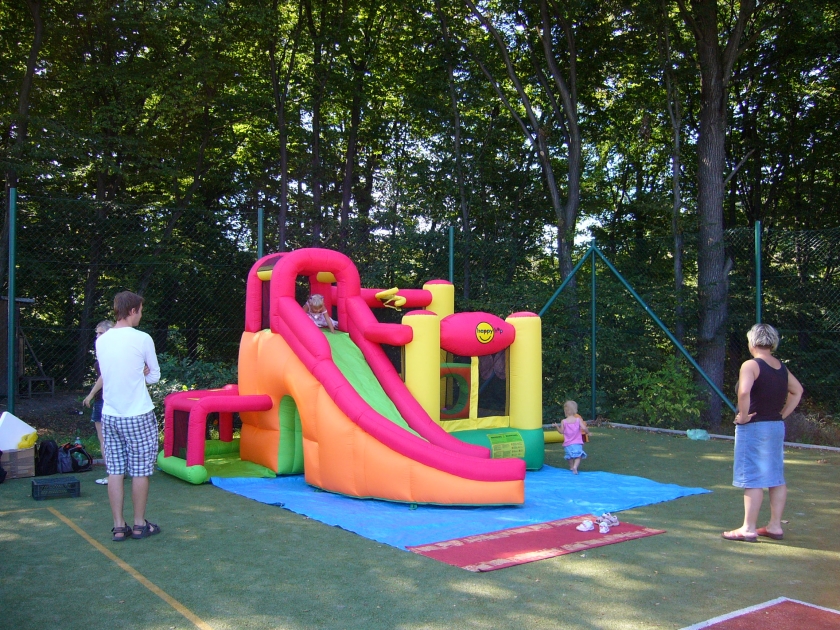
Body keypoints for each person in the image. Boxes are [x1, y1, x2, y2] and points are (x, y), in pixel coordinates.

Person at [722, 323, 803, 543]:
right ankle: (775, 526)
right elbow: (797, 391)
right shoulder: (780, 367)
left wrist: (743, 416)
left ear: (752, 342)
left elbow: (744, 391)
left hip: (755, 427)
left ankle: (748, 528)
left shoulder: (750, 365)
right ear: (772, 342)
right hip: (775, 427)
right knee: (776, 477)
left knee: (753, 478)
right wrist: (782, 415)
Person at [96, 291, 162, 542]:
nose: (141, 315)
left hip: (110, 414)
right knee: (140, 471)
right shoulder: (142, 338)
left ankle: (118, 526)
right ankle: (138, 524)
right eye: (140, 311)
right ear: (132, 310)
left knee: (115, 470)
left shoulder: (102, 340)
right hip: (138, 414)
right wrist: (142, 372)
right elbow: (154, 376)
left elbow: (109, 373)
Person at [83, 320, 114, 485]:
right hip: (114, 400)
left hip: (104, 401)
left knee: (105, 440)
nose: (97, 336)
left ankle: (112, 475)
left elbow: (104, 377)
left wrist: (90, 395)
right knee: (113, 440)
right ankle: (118, 473)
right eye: (97, 333)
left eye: (101, 333)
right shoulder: (116, 351)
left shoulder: (109, 353)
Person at [554, 400, 589, 474]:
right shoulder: (578, 420)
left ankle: (571, 467)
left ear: (565, 411)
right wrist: (588, 432)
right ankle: (575, 467)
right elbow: (584, 428)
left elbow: (561, 432)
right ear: (575, 410)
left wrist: (557, 426)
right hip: (577, 443)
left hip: (568, 443)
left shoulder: (564, 421)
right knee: (578, 456)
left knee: (569, 456)